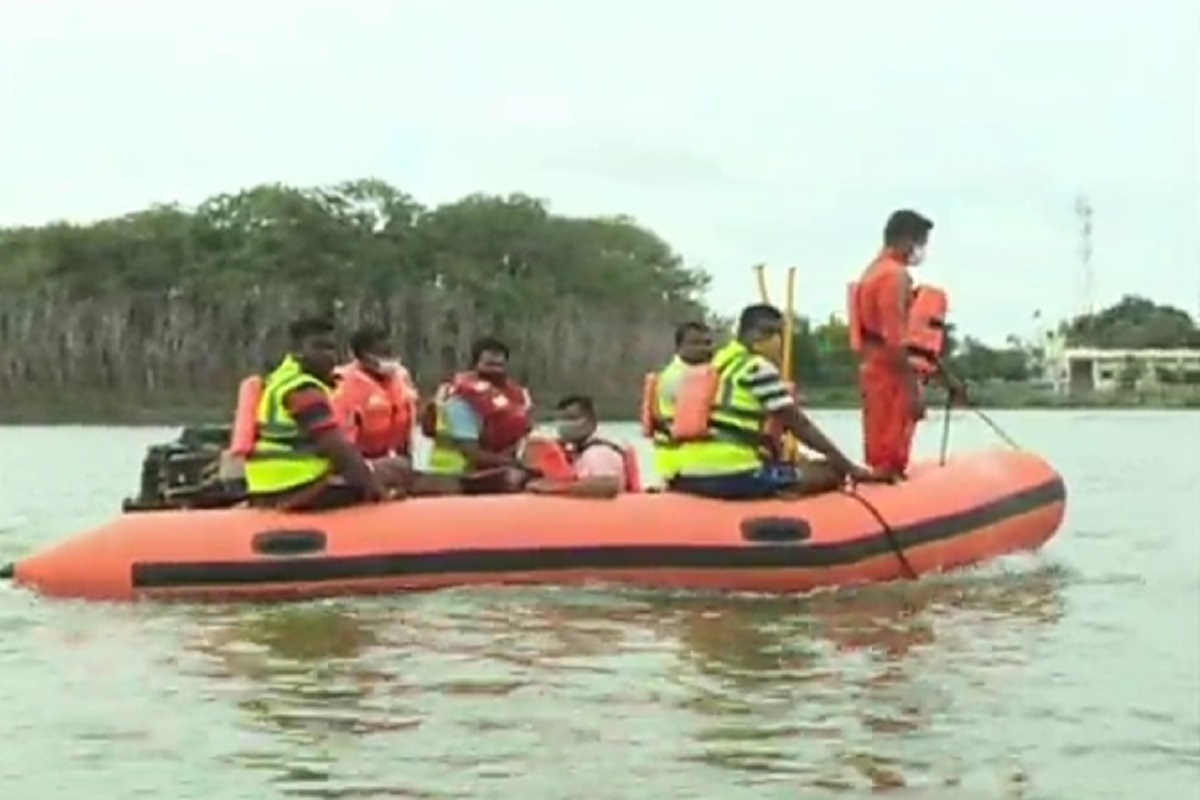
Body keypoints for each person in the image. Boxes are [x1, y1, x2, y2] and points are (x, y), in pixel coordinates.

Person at [662, 304, 880, 500]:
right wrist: (846, 465)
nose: (776, 340)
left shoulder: (717, 364)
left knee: (790, 465)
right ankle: (782, 498)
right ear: (750, 334)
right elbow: (799, 424)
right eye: (770, 333)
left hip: (687, 473)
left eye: (778, 333)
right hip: (732, 473)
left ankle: (777, 489)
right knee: (828, 472)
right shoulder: (756, 367)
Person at [849, 209, 965, 480]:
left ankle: (885, 481)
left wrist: (945, 379)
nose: (921, 250)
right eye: (920, 242)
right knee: (890, 451)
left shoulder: (873, 272)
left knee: (880, 448)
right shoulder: (894, 277)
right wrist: (913, 390)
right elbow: (896, 340)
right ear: (905, 240)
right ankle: (888, 484)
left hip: (875, 370)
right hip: (891, 375)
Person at [240, 317, 387, 511]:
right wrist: (378, 491)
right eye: (320, 348)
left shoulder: (280, 380)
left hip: (273, 487)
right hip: (295, 489)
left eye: (332, 349)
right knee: (398, 469)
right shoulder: (302, 390)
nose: (330, 357)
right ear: (297, 351)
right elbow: (338, 449)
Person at [421, 336, 535, 494]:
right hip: (453, 475)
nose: (495, 371)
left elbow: (526, 435)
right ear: (475, 365)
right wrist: (513, 463)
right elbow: (471, 452)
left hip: (486, 470)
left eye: (499, 365)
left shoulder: (515, 396)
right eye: (489, 365)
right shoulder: (461, 399)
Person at [640, 321, 715, 484]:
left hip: (688, 460)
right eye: (695, 343)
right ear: (679, 347)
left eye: (707, 343)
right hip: (676, 462)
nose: (704, 349)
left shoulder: (702, 375)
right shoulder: (676, 377)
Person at [525, 394, 640, 498]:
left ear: (591, 422)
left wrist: (552, 489)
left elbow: (608, 485)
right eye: (560, 419)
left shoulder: (599, 453)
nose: (564, 424)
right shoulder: (575, 451)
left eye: (572, 418)